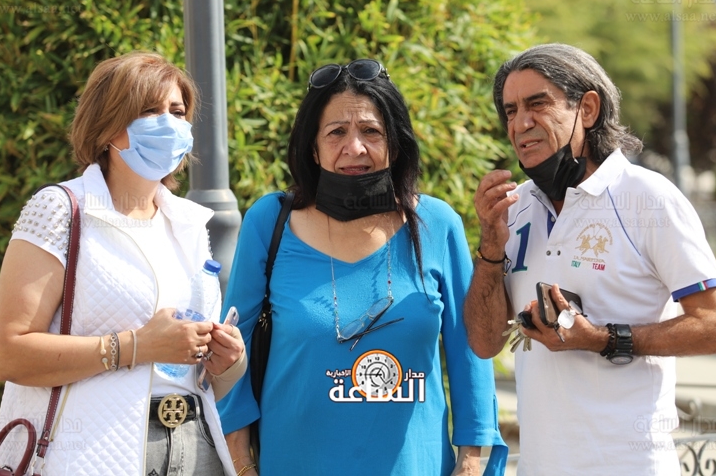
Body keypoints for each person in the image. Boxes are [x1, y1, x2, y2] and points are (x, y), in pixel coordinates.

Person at [216, 59, 508, 476]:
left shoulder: (437, 224)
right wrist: (243, 464)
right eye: (336, 132)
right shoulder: (270, 221)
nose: (355, 148)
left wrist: (471, 464)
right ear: (313, 148)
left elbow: (471, 357)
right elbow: (231, 352)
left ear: (395, 144)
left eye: (371, 131)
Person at [464, 43, 716, 475]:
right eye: (510, 111)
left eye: (537, 104)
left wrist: (603, 338)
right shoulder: (513, 209)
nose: (520, 123)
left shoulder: (648, 198)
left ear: (587, 109)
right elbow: (484, 343)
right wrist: (490, 248)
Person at [0, 51, 246, 475]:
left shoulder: (187, 223)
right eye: (149, 110)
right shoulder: (60, 209)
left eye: (177, 112)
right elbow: (7, 354)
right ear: (107, 125)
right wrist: (136, 346)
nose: (168, 124)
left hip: (193, 444)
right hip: (87, 453)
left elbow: (189, 368)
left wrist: (227, 363)